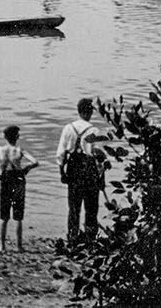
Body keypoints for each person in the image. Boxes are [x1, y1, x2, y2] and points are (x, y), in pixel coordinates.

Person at [56, 98, 107, 245]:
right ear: (90, 112)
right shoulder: (94, 130)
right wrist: (101, 178)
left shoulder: (68, 128)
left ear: (78, 111)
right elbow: (99, 158)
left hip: (73, 169)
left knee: (74, 206)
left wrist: (62, 173)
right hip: (89, 170)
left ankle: (72, 239)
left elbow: (61, 154)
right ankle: (90, 240)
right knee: (91, 207)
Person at [0, 125, 39, 252]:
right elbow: (35, 161)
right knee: (18, 215)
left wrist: (1, 178)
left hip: (6, 179)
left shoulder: (0, 150)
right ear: (17, 136)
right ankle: (19, 246)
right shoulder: (19, 150)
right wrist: (26, 168)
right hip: (18, 179)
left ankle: (2, 245)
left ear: (4, 137)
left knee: (4, 215)